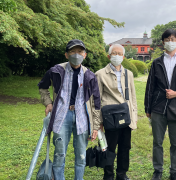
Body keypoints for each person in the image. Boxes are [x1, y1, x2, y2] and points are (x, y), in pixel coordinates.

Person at [38, 39, 101, 180]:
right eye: (73, 51)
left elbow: (97, 102)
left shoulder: (90, 75)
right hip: (62, 115)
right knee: (59, 154)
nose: (76, 54)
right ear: (66, 55)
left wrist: (96, 126)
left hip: (82, 117)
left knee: (81, 155)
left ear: (85, 55)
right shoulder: (56, 71)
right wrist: (48, 103)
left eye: (80, 52)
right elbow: (42, 86)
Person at [144, 29, 176, 180]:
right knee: (157, 142)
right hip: (158, 107)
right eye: (167, 39)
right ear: (163, 42)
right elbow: (150, 86)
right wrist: (148, 108)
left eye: (172, 39)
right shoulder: (156, 63)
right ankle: (157, 170)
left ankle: (175, 172)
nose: (170, 42)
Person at [95, 44, 138, 180]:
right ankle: (108, 175)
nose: (117, 56)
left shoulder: (129, 74)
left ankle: (122, 174)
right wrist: (98, 122)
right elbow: (96, 100)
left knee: (125, 148)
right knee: (109, 148)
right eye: (114, 53)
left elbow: (133, 96)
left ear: (123, 57)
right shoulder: (100, 74)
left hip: (126, 116)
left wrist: (134, 116)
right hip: (109, 118)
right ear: (109, 56)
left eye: (120, 53)